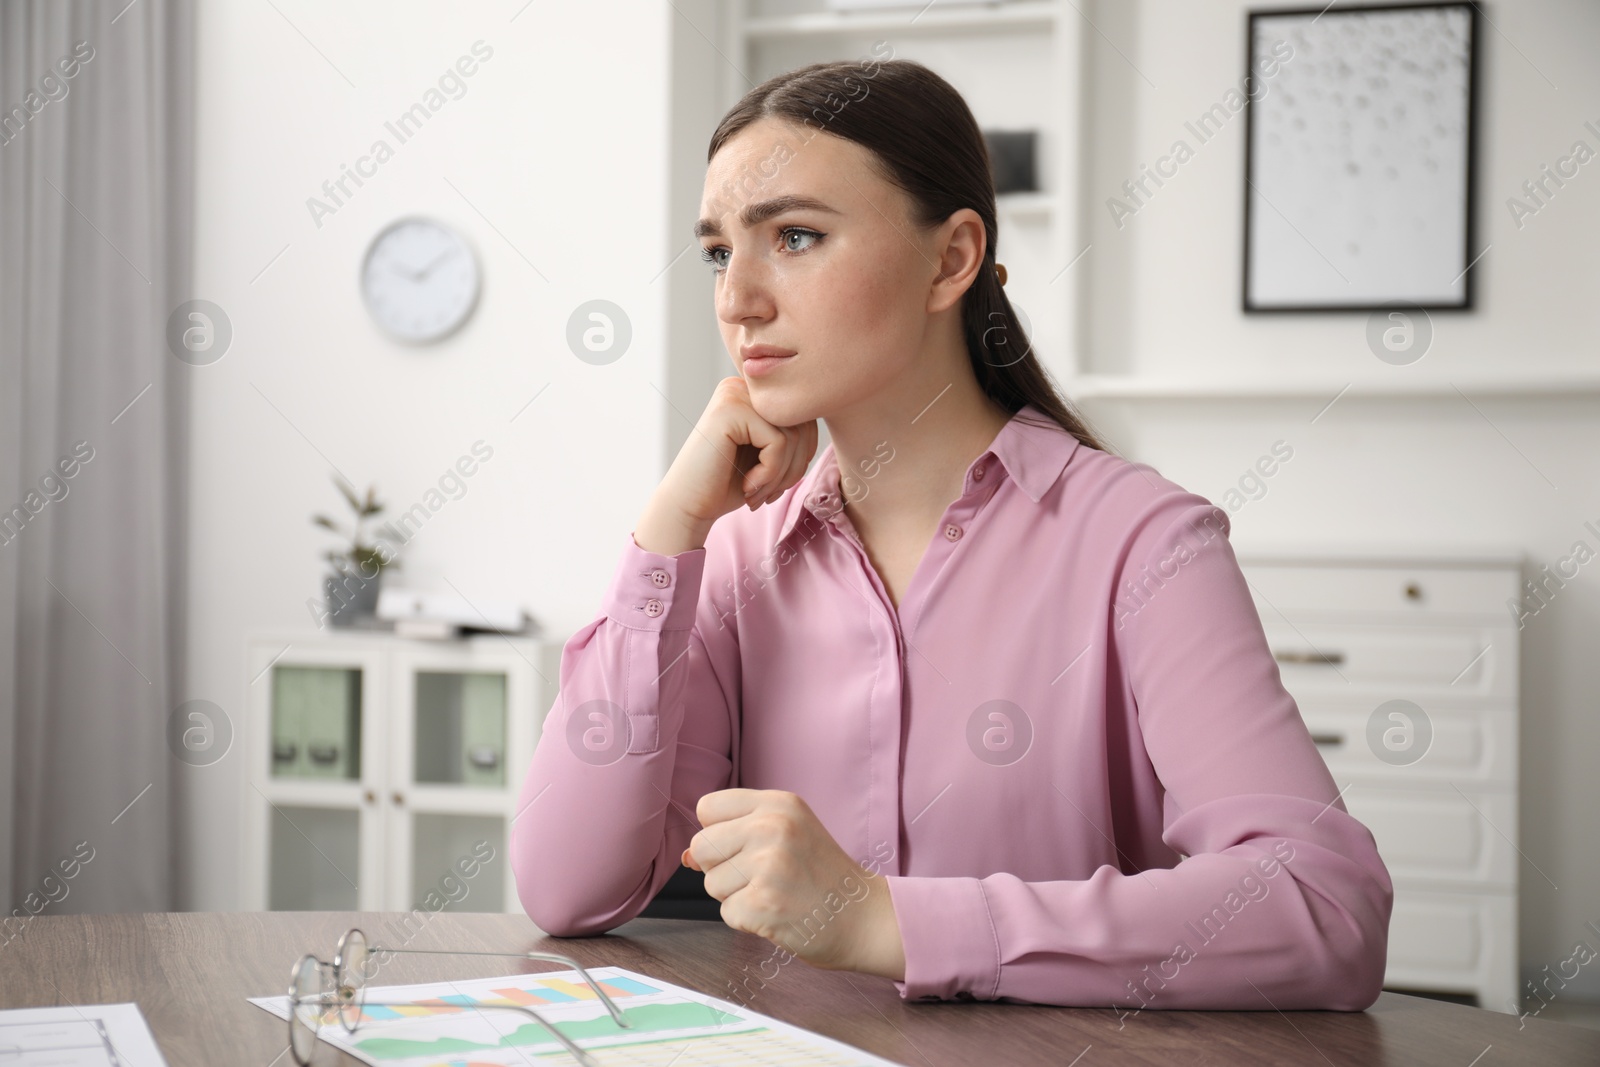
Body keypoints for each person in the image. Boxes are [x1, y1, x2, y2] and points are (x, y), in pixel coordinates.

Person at [510, 57, 1391, 1013]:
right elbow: (569, 890)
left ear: (952, 258)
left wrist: (882, 918)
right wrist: (667, 533)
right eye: (722, 250)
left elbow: (1322, 907)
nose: (738, 299)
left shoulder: (1146, 543)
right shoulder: (731, 560)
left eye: (795, 236)